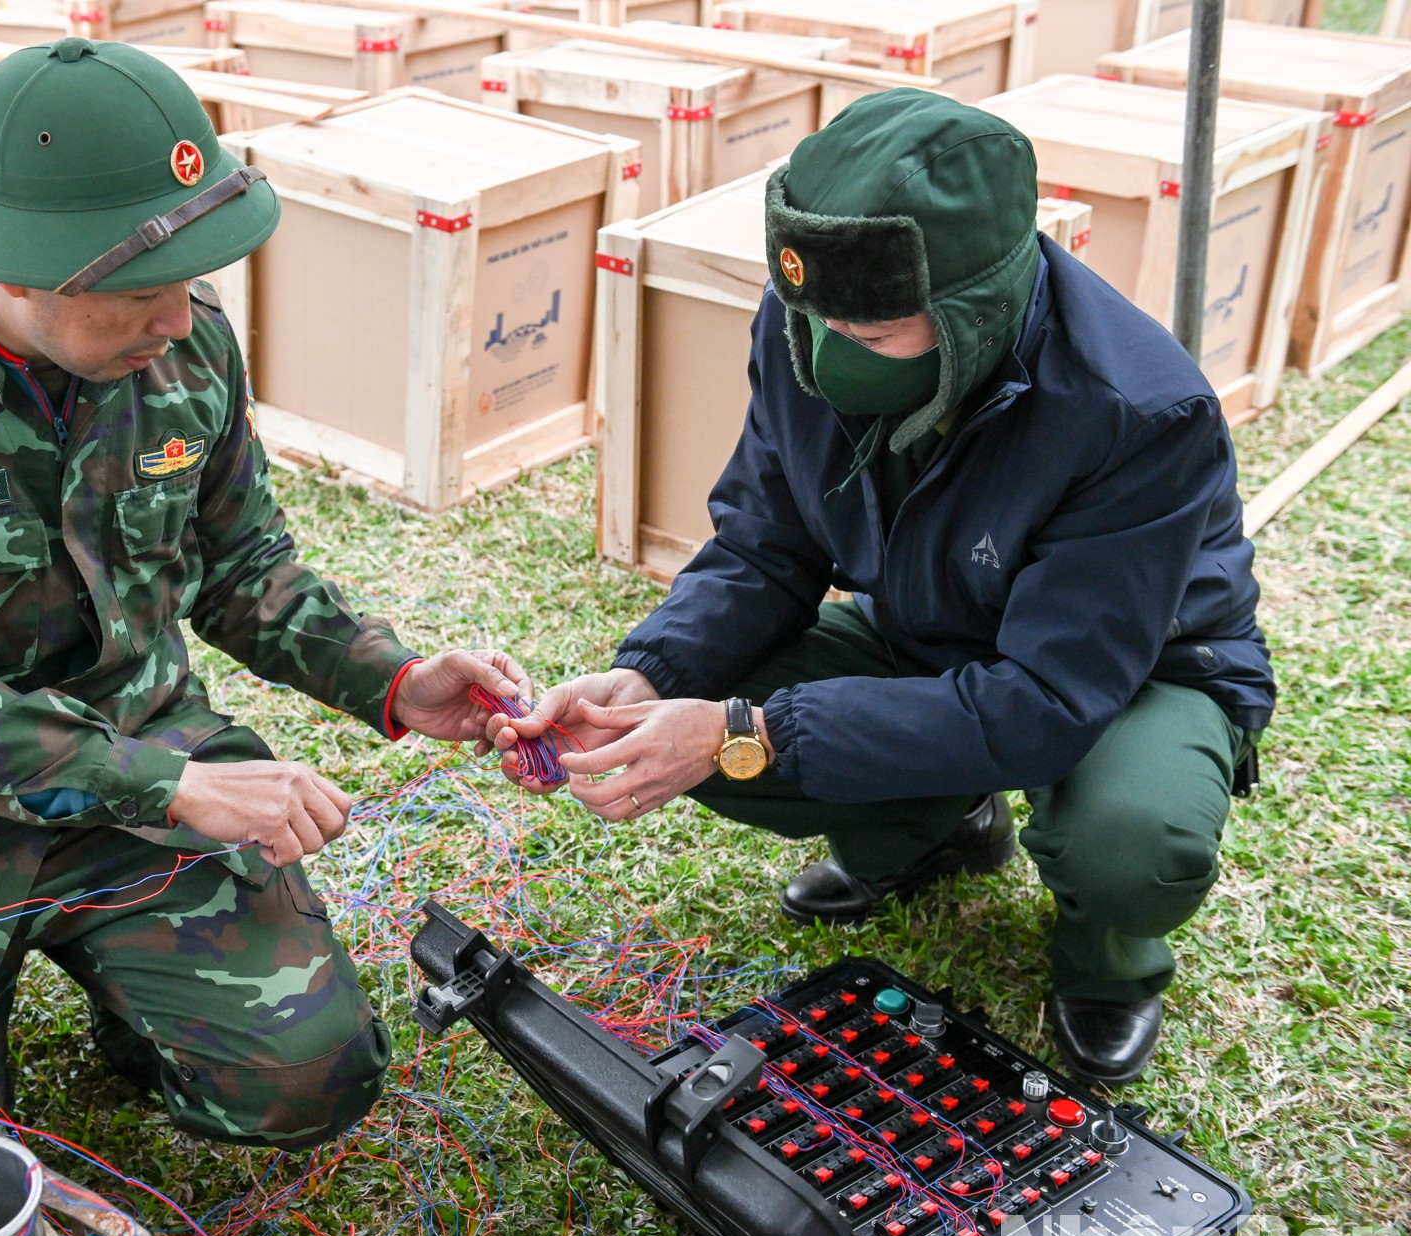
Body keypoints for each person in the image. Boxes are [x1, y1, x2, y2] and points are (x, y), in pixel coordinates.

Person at [0, 38, 528, 1147]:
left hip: (145, 755)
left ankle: (133, 989)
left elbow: (242, 565)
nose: (176, 320)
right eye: (143, 292)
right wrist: (168, 788)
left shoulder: (186, 344)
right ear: (14, 268)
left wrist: (393, 678)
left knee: (310, 1079)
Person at [491, 89, 1273, 1085]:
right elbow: (764, 543)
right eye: (814, 319)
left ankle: (1109, 963)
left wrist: (748, 731)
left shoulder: (1136, 411)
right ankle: (945, 825)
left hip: (1131, 669)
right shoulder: (809, 316)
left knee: (1130, 837)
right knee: (720, 699)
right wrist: (651, 676)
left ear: (974, 308)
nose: (825, 356)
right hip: (934, 628)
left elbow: (1045, 698)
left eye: (867, 336)